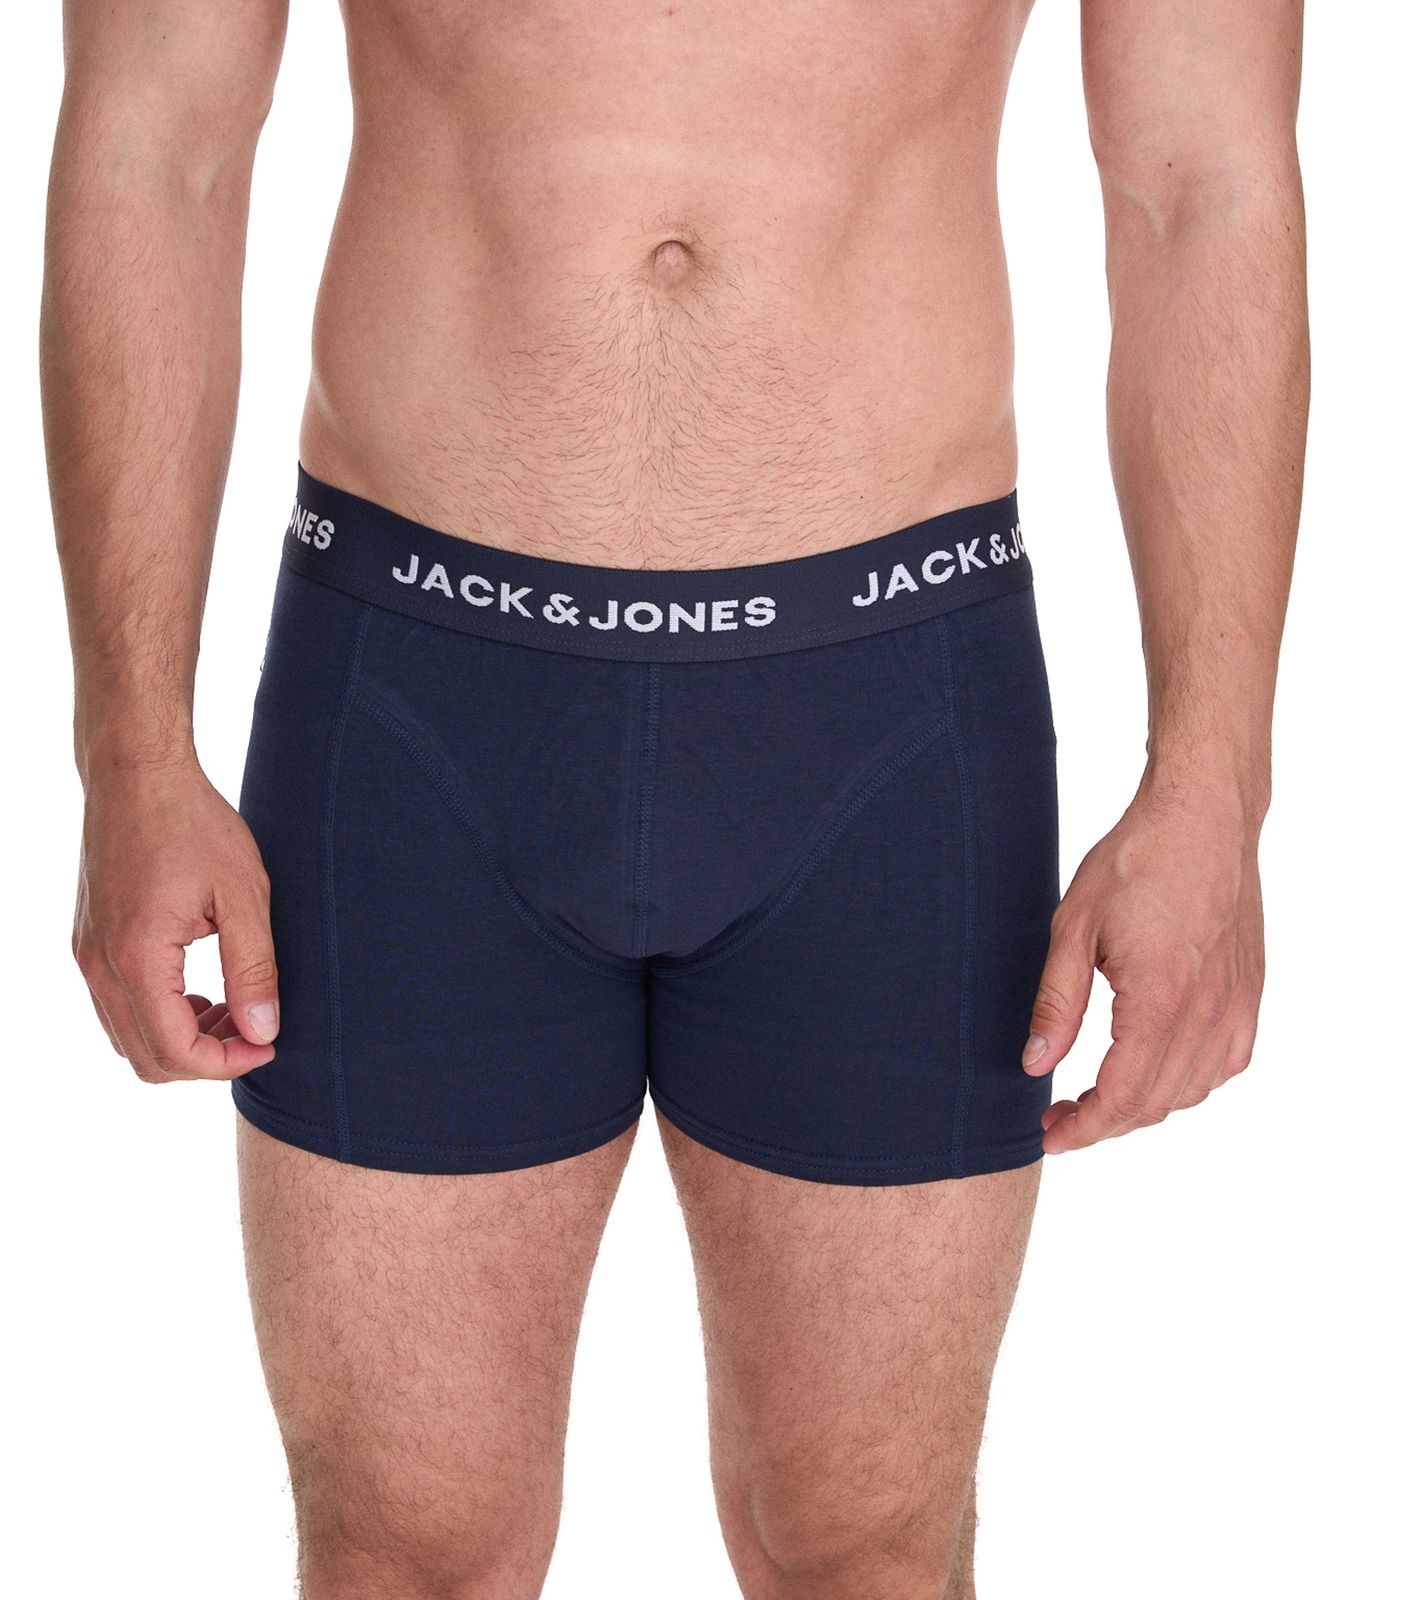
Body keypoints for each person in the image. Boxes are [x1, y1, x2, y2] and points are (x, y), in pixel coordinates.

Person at [42, 1, 1307, 1595]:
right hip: (419, 695)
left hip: (884, 706)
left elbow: (1201, 182)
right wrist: (129, 749)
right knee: (399, 1554)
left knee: (861, 1554)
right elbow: (157, 142)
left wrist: (1212, 786)